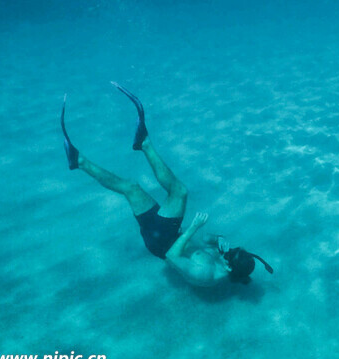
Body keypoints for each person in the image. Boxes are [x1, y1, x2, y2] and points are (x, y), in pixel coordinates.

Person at [60, 83, 273, 287]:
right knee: (131, 187)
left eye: (231, 254)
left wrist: (192, 228)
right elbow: (204, 241)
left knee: (179, 192)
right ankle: (78, 161)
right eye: (235, 250)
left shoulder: (205, 275)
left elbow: (172, 258)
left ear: (228, 267)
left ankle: (144, 144)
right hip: (168, 234)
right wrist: (219, 240)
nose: (230, 251)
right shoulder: (225, 260)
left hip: (162, 242)